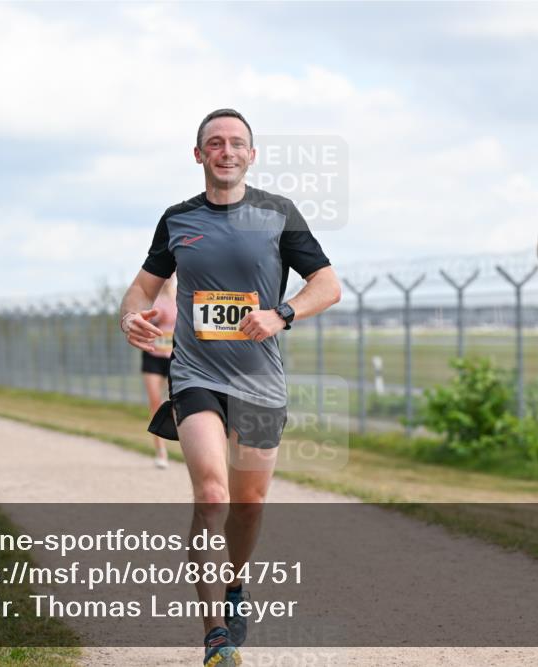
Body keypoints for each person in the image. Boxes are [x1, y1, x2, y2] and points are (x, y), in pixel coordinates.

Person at [120, 108, 341, 667]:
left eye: (236, 143)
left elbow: (328, 284)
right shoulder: (177, 220)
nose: (226, 151)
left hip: (260, 380)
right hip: (196, 374)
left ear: (251, 154)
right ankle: (215, 632)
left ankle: (236, 584)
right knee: (213, 496)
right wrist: (130, 317)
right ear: (199, 155)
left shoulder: (277, 214)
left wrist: (282, 313)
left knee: (248, 504)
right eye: (214, 143)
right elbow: (140, 290)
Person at [142, 274, 178, 469]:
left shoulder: (182, 297)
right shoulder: (150, 299)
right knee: (155, 402)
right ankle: (161, 451)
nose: (167, 279)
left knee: (178, 402)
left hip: (174, 357)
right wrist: (154, 321)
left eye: (171, 276)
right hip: (152, 355)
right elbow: (141, 324)